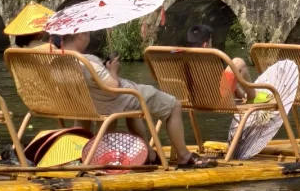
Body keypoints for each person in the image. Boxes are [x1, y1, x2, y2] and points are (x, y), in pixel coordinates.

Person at [57, 29, 213, 167]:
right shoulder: (87, 61)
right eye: (88, 34)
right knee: (174, 105)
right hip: (120, 98)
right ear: (80, 34)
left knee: (133, 106)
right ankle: (183, 156)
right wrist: (113, 70)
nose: (89, 38)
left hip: (92, 105)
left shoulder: (56, 61)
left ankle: (148, 154)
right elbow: (113, 88)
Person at [185, 22, 253, 99]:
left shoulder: (182, 58)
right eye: (211, 41)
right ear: (205, 45)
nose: (212, 44)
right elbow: (222, 82)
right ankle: (253, 96)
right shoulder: (213, 57)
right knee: (238, 62)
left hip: (194, 101)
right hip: (217, 101)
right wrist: (240, 93)